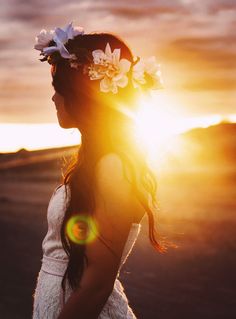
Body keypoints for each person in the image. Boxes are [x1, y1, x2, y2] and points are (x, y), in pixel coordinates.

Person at [32, 21, 166, 319]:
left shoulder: (113, 166)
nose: (54, 98)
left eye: (60, 89)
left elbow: (97, 283)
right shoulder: (96, 161)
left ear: (85, 95)